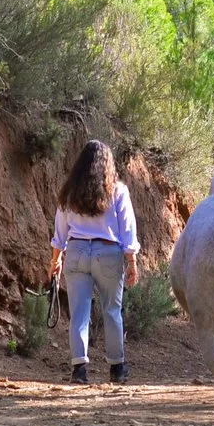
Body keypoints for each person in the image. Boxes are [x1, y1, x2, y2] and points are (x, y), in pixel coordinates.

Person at [50, 139, 140, 384]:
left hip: (76, 252)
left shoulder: (69, 193)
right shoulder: (118, 191)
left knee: (79, 313)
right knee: (112, 311)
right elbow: (127, 230)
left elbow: (60, 231)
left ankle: (79, 369)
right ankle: (117, 369)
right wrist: (131, 261)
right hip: (108, 254)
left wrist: (55, 260)